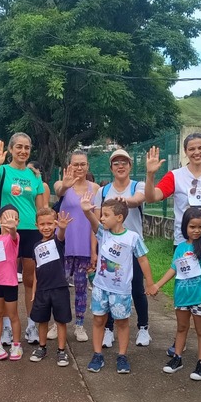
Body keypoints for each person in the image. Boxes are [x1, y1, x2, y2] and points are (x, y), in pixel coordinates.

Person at [145, 135, 201, 363]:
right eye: (192, 148)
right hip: (185, 243)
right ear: (185, 151)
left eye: (200, 148)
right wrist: (150, 175)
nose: (197, 152)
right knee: (186, 290)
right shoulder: (175, 176)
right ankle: (181, 341)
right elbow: (152, 197)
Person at [149, 208, 201, 381]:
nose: (196, 230)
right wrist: (157, 285)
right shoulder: (180, 247)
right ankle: (177, 358)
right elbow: (173, 269)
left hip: (199, 297)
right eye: (192, 226)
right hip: (182, 296)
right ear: (185, 227)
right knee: (181, 328)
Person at [79, 194, 155, 374]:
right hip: (100, 288)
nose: (102, 218)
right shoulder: (102, 233)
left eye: (106, 215)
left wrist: (150, 283)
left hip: (121, 290)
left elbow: (143, 260)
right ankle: (97, 354)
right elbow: (92, 221)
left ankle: (122, 355)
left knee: (122, 322)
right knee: (98, 320)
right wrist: (86, 211)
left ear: (119, 217)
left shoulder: (133, 237)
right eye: (102, 215)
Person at [0, 135, 45, 344]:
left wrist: (45, 230)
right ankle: (7, 328)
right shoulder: (2, 170)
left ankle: (31, 325)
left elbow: (41, 207)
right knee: (5, 279)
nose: (23, 151)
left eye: (27, 147)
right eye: (19, 147)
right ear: (10, 149)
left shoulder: (34, 175)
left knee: (29, 279)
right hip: (6, 231)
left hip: (31, 230)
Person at [94, 148, 150, 348]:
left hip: (132, 247)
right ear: (111, 168)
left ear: (130, 166)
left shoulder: (137, 186)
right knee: (109, 288)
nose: (120, 166)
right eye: (116, 163)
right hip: (109, 249)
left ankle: (143, 327)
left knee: (137, 289)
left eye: (124, 162)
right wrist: (94, 250)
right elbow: (97, 223)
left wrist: (124, 202)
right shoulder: (102, 191)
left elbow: (138, 200)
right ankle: (109, 329)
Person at [54, 152, 99, 343]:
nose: (79, 168)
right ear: (69, 166)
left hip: (84, 247)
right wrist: (66, 184)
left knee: (81, 287)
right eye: (75, 164)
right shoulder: (62, 184)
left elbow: (96, 224)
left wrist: (94, 251)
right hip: (63, 244)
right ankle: (57, 322)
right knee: (59, 286)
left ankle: (79, 324)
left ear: (88, 166)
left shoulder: (95, 189)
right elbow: (59, 191)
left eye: (82, 164)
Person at [28, 207, 74, 367]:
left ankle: (61, 351)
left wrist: (62, 228)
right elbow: (36, 270)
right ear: (37, 225)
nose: (46, 227)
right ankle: (42, 347)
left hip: (59, 288)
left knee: (61, 321)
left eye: (49, 223)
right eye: (42, 224)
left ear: (55, 224)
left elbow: (61, 236)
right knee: (42, 320)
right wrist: (34, 290)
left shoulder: (57, 241)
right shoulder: (35, 246)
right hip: (42, 290)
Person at [0, 204, 23, 361]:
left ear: (18, 222)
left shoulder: (14, 237)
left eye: (14, 218)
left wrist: (12, 229)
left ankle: (16, 344)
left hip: (10, 283)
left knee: (13, 315)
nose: (10, 220)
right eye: (7, 217)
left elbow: (14, 234)